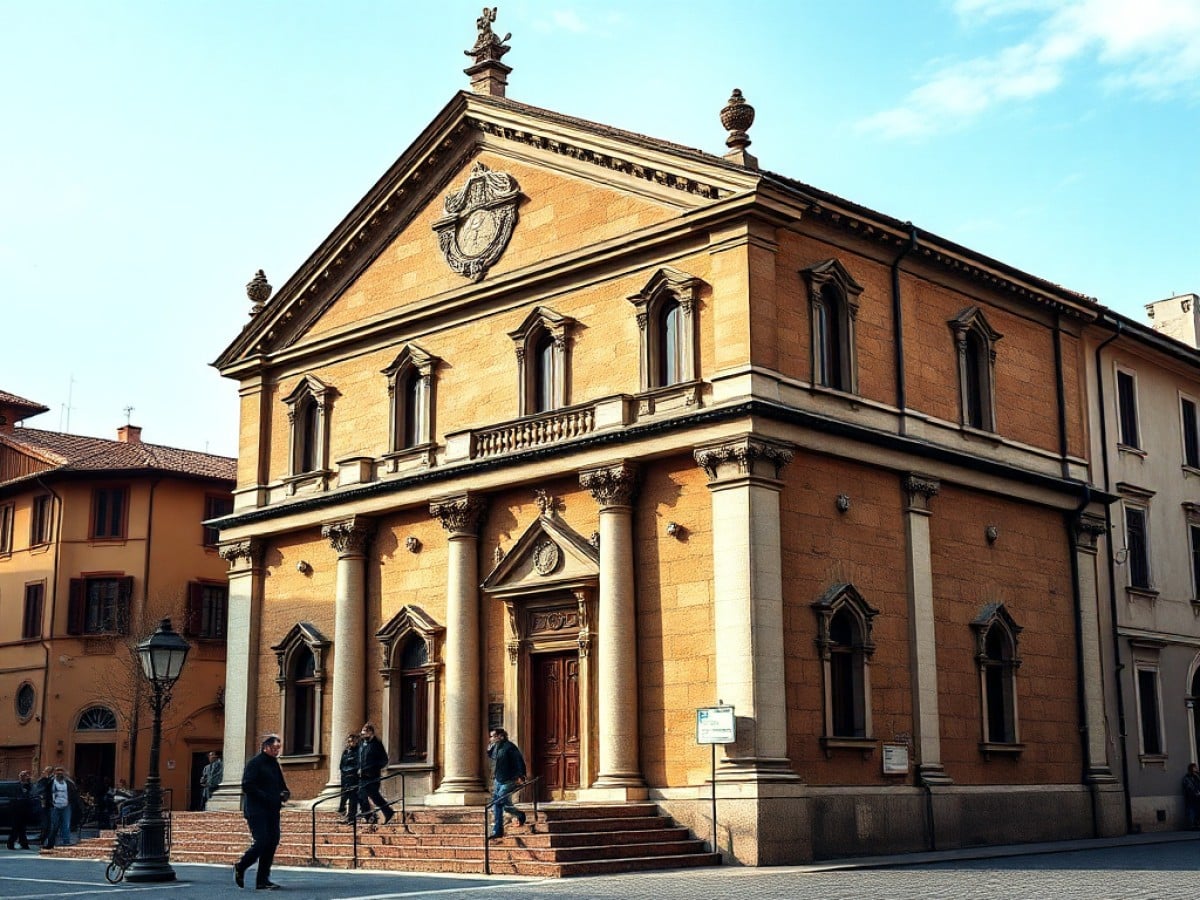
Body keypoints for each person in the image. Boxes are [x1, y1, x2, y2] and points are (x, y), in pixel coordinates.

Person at [234, 734, 289, 891]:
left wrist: (285, 793)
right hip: (256, 810)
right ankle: (241, 865)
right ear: (266, 747)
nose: (277, 751)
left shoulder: (274, 764)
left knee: (272, 842)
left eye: (279, 748)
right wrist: (266, 797)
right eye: (274, 748)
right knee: (262, 840)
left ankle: (262, 880)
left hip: (272, 810)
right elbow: (247, 785)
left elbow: (281, 785)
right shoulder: (255, 763)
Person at [486, 727, 526, 840]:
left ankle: (497, 830)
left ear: (500, 736)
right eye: (490, 736)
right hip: (498, 779)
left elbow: (519, 760)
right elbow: (492, 756)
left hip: (509, 779)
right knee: (505, 805)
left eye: (493, 736)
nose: (491, 738)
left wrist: (521, 775)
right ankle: (519, 814)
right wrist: (489, 748)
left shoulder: (509, 747)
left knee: (498, 802)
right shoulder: (496, 747)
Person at [357, 723, 394, 825]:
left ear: (370, 732)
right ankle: (369, 816)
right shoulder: (362, 744)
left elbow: (384, 760)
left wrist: (372, 768)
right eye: (362, 732)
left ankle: (388, 812)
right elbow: (360, 759)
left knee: (375, 796)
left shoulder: (376, 744)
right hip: (362, 776)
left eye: (364, 732)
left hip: (372, 776)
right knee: (360, 796)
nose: (362, 734)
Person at [42, 767, 79, 849]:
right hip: (54, 806)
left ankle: (66, 841)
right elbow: (43, 790)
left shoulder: (69, 783)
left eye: (61, 772)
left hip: (66, 806)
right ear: (55, 773)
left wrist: (73, 802)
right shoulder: (50, 782)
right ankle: (50, 843)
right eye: (58, 772)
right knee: (53, 825)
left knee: (66, 824)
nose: (60, 774)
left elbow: (74, 792)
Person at [337, 733, 360, 824]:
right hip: (345, 778)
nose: (350, 743)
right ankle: (343, 813)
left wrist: (350, 771)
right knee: (344, 796)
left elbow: (358, 764)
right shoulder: (346, 752)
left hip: (353, 777)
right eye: (349, 741)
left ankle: (351, 818)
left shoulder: (358, 751)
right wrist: (344, 772)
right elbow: (341, 764)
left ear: (356, 741)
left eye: (352, 741)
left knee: (353, 798)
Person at [6, 770, 32, 850]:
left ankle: (23, 843)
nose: (23, 777)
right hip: (17, 809)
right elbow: (13, 796)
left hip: (25, 809)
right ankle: (11, 843)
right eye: (22, 775)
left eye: (25, 775)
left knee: (22, 827)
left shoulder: (29, 785)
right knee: (16, 827)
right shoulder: (16, 786)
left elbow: (31, 794)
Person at [34, 766, 53, 845]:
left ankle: (45, 838)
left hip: (50, 804)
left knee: (49, 822)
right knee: (45, 822)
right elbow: (39, 791)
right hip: (44, 804)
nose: (44, 772)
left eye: (46, 771)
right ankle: (43, 838)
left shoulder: (51, 780)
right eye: (45, 771)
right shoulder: (43, 780)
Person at [1184, 763, 1200, 829]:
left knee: (1197, 810)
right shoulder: (1187, 777)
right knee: (1191, 811)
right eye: (1195, 767)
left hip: (1197, 797)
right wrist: (1195, 792)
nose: (1196, 769)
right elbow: (1189, 787)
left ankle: (1197, 824)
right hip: (1191, 797)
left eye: (1196, 767)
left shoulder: (1197, 776)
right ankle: (1191, 825)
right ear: (1191, 769)